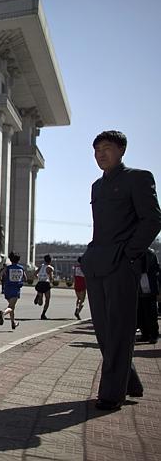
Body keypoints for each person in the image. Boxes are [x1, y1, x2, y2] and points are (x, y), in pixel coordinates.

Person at [81, 130, 161, 411]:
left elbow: (152, 220)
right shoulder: (97, 186)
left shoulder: (138, 178)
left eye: (107, 148)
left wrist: (129, 255)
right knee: (104, 331)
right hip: (96, 264)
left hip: (121, 265)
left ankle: (112, 394)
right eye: (96, 150)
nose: (100, 154)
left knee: (120, 329)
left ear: (121, 150)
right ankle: (129, 382)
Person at [136, 248, 159, 344]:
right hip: (139, 287)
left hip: (149, 286)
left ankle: (153, 335)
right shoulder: (138, 252)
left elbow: (148, 268)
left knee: (151, 314)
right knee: (141, 313)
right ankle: (145, 334)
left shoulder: (149, 253)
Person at [0, 251, 25, 330]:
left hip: (7, 289)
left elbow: (1, 275)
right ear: (18, 260)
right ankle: (3, 313)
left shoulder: (8, 267)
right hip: (15, 289)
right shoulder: (21, 268)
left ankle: (13, 323)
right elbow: (25, 278)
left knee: (12, 306)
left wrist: (2, 278)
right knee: (11, 307)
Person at [34, 254, 54, 319]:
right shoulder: (50, 268)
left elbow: (35, 273)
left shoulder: (41, 266)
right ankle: (43, 314)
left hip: (39, 283)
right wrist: (51, 282)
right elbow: (51, 278)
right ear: (50, 261)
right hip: (46, 283)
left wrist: (39, 277)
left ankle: (39, 296)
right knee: (47, 300)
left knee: (40, 303)